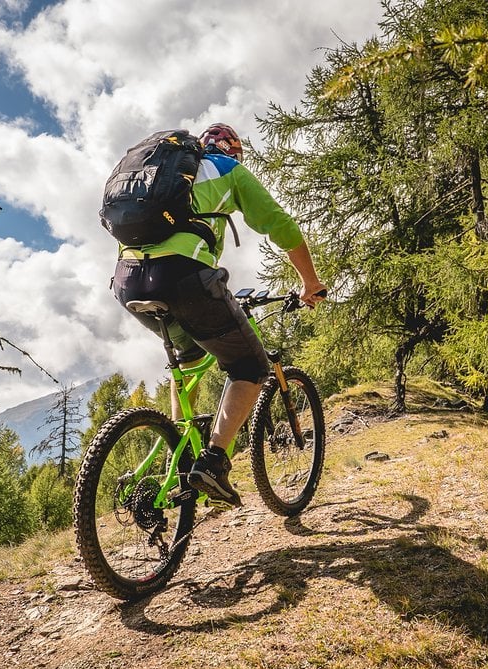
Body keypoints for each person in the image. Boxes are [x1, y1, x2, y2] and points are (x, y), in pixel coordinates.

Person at [110, 123, 326, 506]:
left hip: (128, 281)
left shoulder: (164, 174)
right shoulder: (228, 169)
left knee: (189, 360)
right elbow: (279, 224)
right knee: (249, 367)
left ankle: (183, 465)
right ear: (233, 151)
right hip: (184, 277)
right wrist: (309, 282)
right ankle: (212, 462)